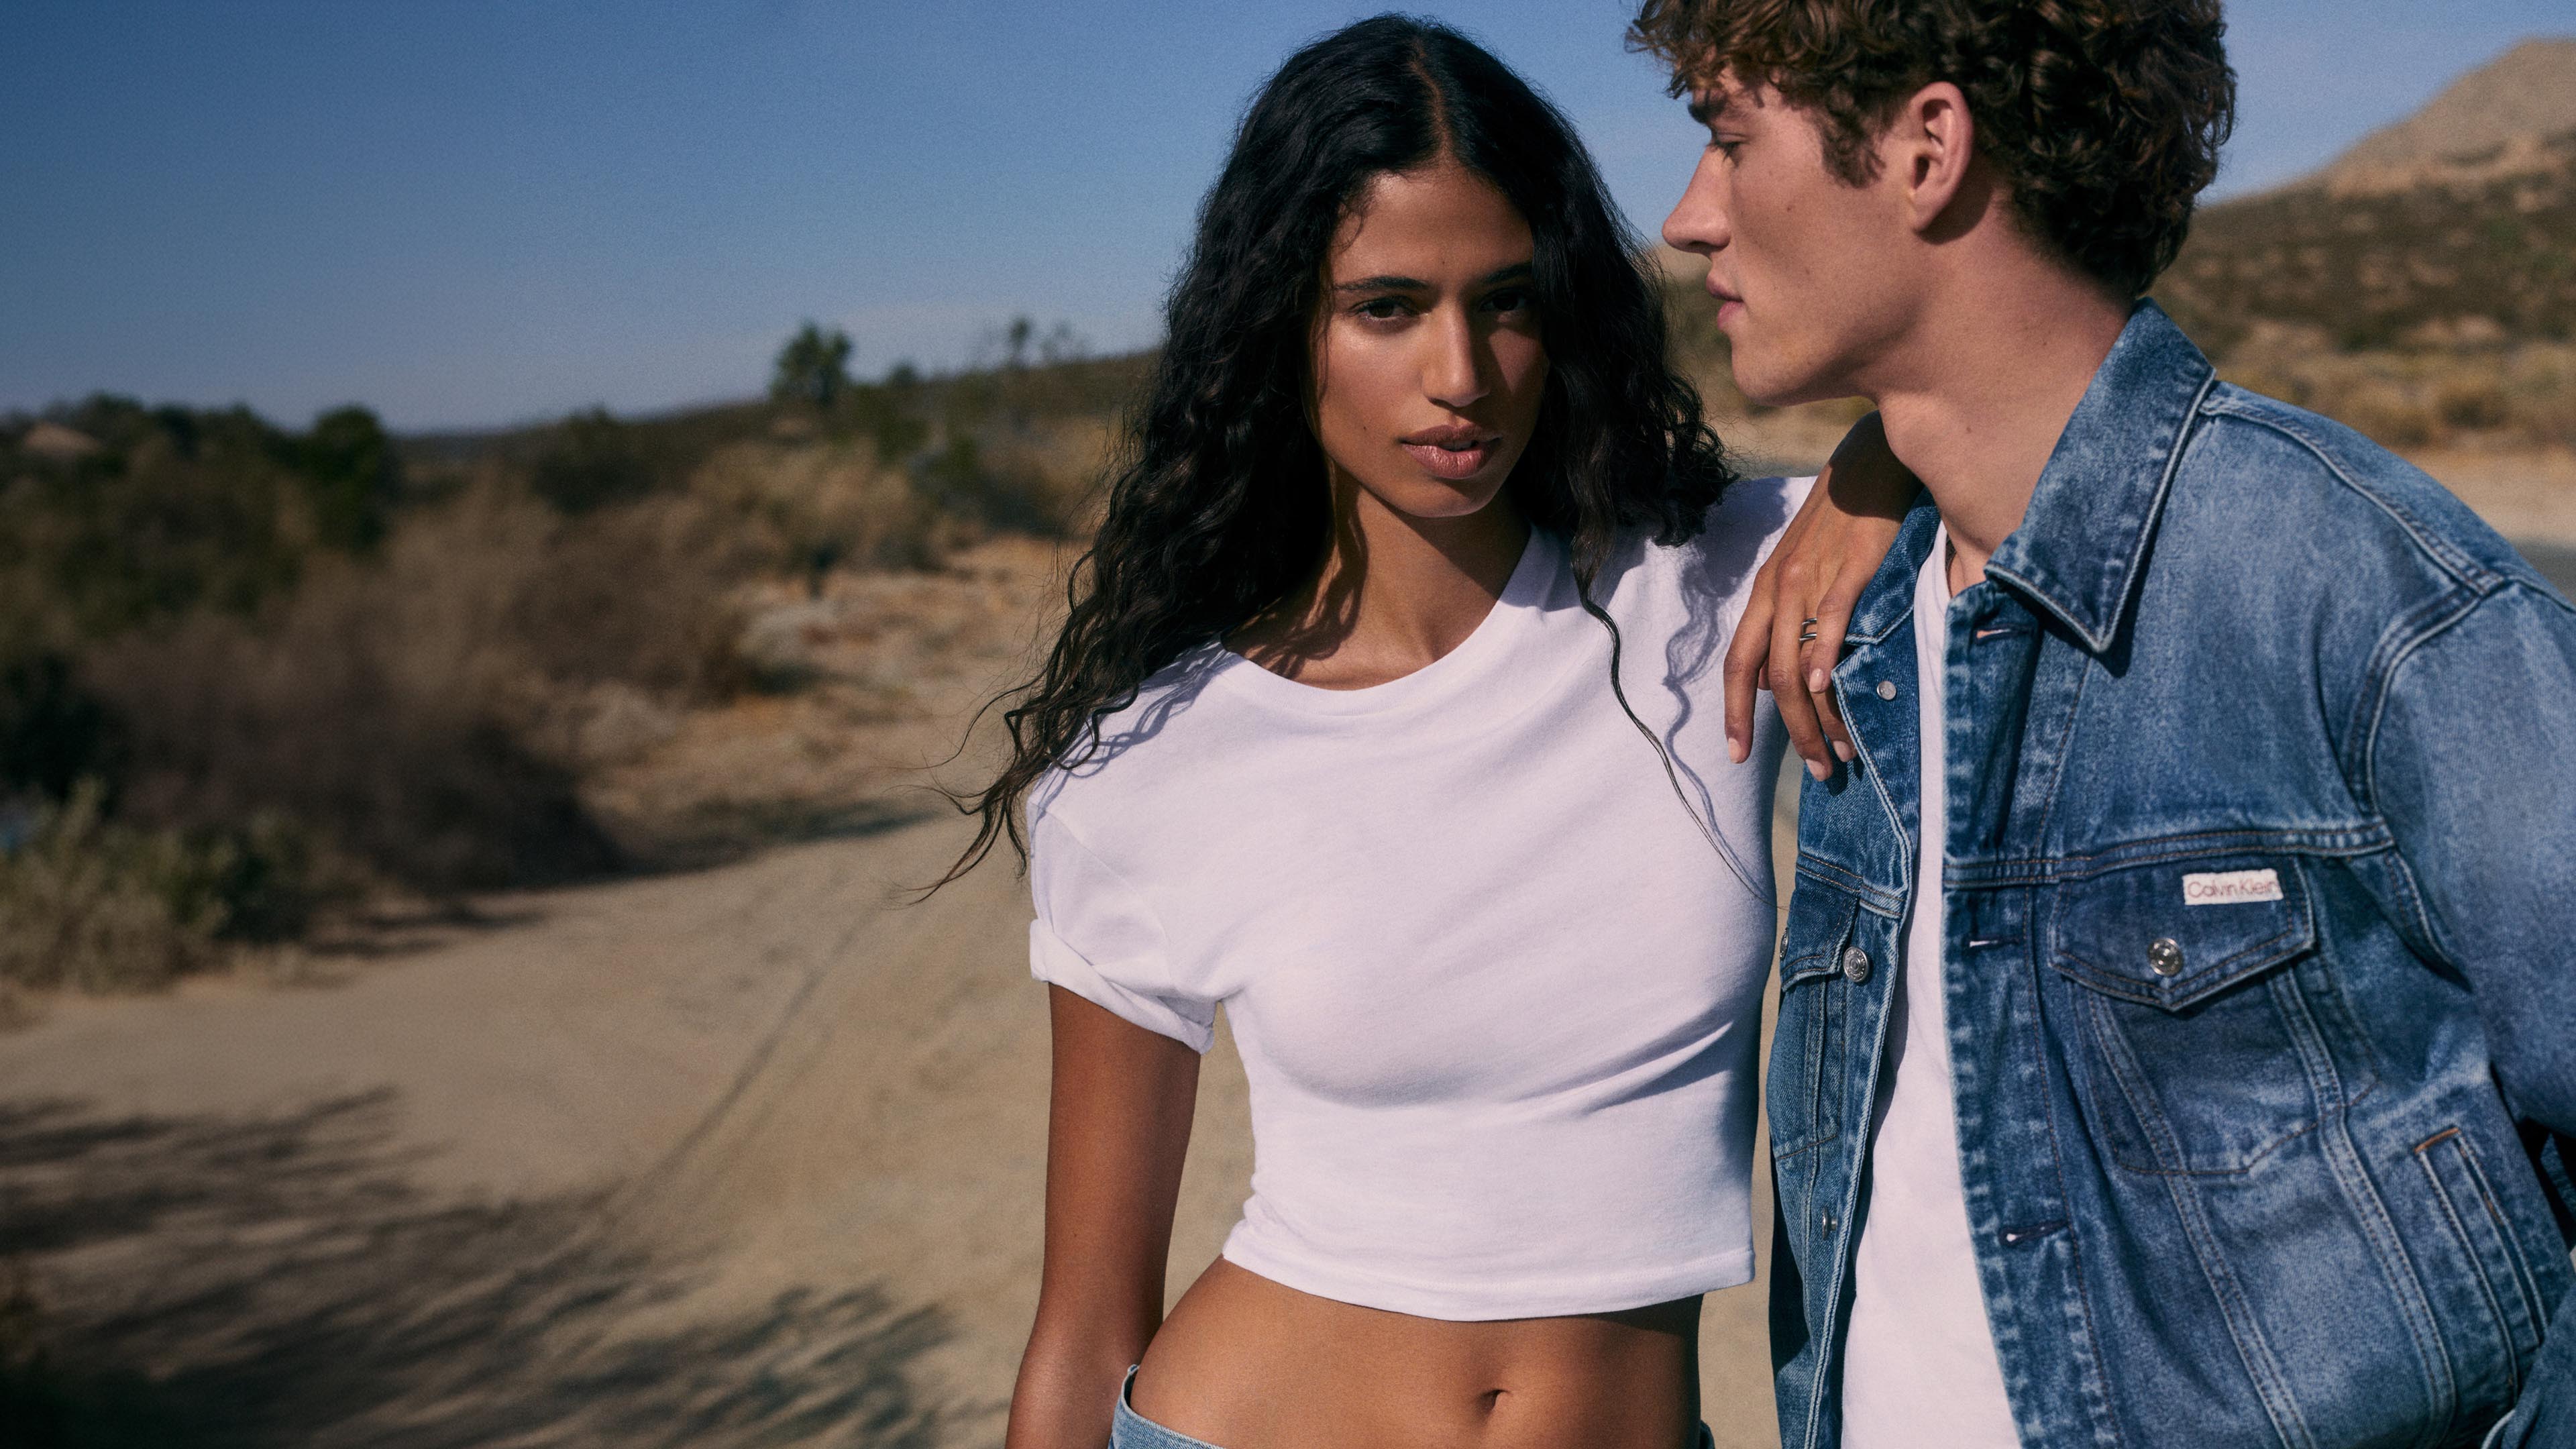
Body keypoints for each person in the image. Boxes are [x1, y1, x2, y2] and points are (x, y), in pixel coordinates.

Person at [943, 15, 1911, 1449]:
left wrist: (1872, 471)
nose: (1460, 371)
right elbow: (1086, 1328)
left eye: (1505, 303)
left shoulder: (1711, 584)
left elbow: (2033, 397)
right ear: (1286, 324)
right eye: (1387, 306)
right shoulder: (1153, 761)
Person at [1636, 1, 2576, 1446]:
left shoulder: (2367, 595)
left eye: (1729, 140)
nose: (1693, 216)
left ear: (1926, 149)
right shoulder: (1850, 623)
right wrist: (1870, 466)